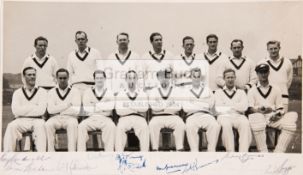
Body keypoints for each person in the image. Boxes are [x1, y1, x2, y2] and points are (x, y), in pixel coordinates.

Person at [248, 64, 297, 153]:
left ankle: (278, 152)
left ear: (269, 73)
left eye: (265, 72)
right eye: (261, 72)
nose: (263, 75)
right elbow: (250, 109)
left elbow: (280, 108)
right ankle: (263, 152)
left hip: (272, 118)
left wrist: (277, 115)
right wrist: (259, 111)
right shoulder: (252, 90)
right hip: (258, 118)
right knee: (257, 119)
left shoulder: (276, 88)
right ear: (257, 74)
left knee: (291, 125)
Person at [3, 67, 47, 152]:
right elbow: (15, 111)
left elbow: (41, 110)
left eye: (34, 74)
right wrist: (33, 107)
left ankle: (41, 157)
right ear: (23, 77)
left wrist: (23, 109)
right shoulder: (17, 92)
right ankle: (8, 156)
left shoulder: (42, 91)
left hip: (37, 120)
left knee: (41, 126)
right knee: (11, 126)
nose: (32, 77)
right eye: (29, 75)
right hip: (21, 120)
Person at [77, 70, 116, 151]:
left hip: (106, 118)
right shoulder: (88, 91)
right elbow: (87, 108)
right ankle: (81, 155)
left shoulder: (109, 92)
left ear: (105, 79)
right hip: (91, 118)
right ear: (94, 79)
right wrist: (103, 106)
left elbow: (110, 107)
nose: (99, 80)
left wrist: (94, 104)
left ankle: (109, 154)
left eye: (101, 78)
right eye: (97, 78)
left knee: (111, 126)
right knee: (81, 126)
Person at [183, 68, 220, 152]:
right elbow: (186, 108)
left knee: (215, 125)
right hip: (192, 116)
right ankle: (194, 152)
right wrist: (203, 102)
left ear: (201, 78)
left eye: (198, 76)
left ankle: (211, 151)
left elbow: (210, 104)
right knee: (189, 126)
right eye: (194, 76)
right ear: (191, 77)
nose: (196, 79)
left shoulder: (207, 90)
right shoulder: (186, 91)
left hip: (206, 115)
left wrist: (194, 102)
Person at [215, 68, 252, 152]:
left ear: (235, 78)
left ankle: (243, 153)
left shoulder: (241, 92)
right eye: (228, 77)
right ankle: (230, 152)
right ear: (224, 79)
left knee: (245, 123)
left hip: (238, 116)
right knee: (226, 125)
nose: (230, 79)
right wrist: (236, 106)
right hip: (223, 116)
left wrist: (227, 105)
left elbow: (244, 107)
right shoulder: (218, 92)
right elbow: (218, 108)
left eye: (232, 77)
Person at [148, 68, 185, 151]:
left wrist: (160, 105)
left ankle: (180, 148)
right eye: (161, 77)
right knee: (152, 125)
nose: (164, 79)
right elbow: (154, 107)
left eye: (166, 77)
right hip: (157, 117)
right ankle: (154, 149)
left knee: (180, 124)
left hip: (173, 116)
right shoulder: (154, 91)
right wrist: (169, 104)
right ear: (158, 78)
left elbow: (178, 106)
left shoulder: (176, 90)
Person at [45, 68, 81, 152]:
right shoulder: (51, 92)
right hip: (55, 118)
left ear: (68, 78)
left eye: (64, 78)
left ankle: (71, 153)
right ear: (56, 79)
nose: (62, 80)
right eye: (60, 78)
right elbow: (50, 110)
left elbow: (76, 110)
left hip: (70, 118)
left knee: (72, 125)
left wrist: (58, 110)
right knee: (48, 125)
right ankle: (51, 153)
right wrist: (67, 105)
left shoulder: (75, 91)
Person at [115, 70, 149, 151]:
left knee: (144, 128)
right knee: (119, 128)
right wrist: (137, 108)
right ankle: (119, 155)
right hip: (124, 118)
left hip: (139, 118)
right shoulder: (121, 93)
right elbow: (119, 111)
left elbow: (145, 108)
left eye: (134, 78)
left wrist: (128, 106)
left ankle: (145, 155)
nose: (132, 80)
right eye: (129, 78)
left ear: (137, 79)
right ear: (126, 80)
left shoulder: (142, 93)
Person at [258, 40, 293, 112]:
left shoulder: (287, 62)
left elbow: (289, 80)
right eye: (271, 49)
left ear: (279, 48)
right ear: (267, 50)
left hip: (283, 97)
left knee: (282, 120)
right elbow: (259, 80)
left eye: (275, 48)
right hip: (267, 97)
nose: (273, 51)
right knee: (268, 120)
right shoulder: (262, 62)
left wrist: (282, 89)